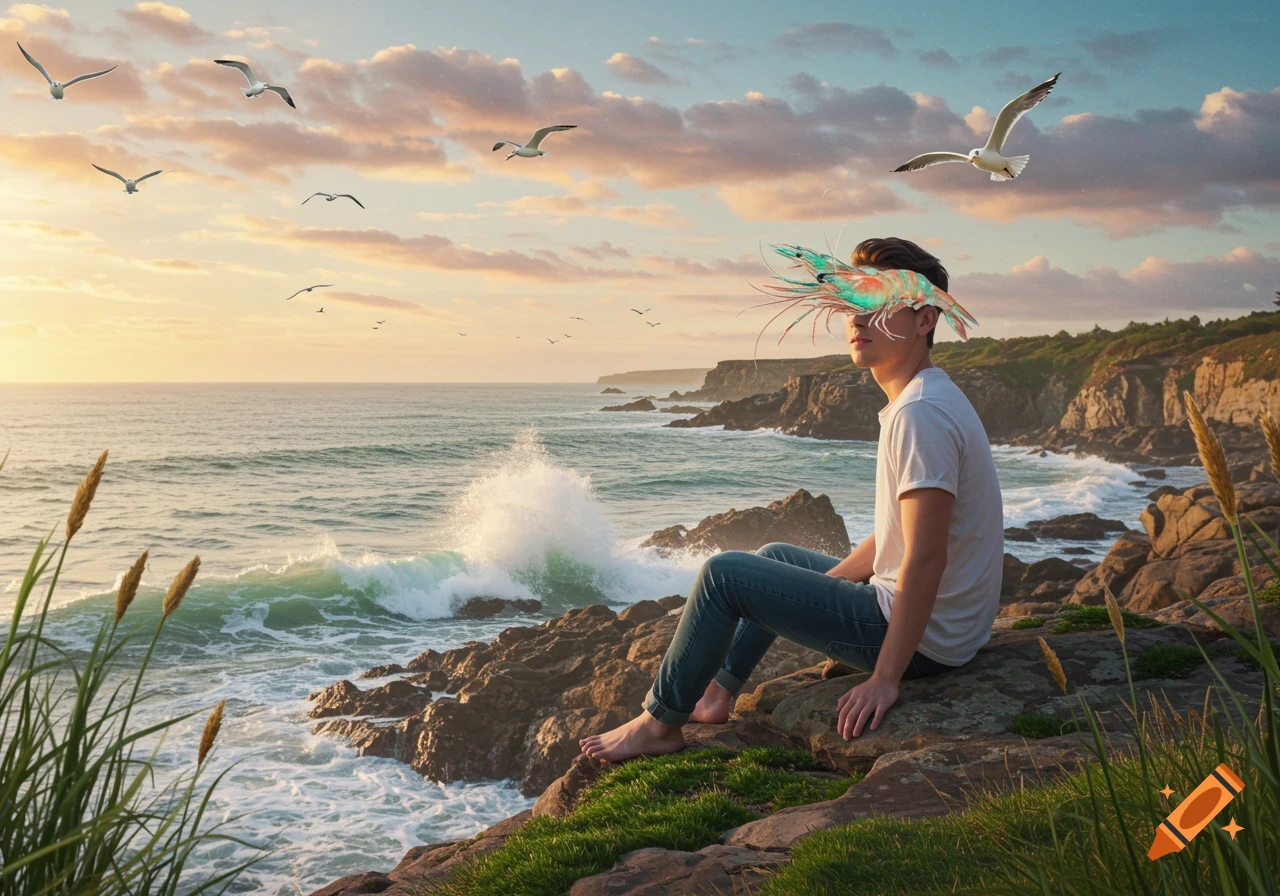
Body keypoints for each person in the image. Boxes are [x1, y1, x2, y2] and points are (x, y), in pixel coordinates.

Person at [579, 237, 1004, 762]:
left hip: (922, 641)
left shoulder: (921, 414)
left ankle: (659, 722)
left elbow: (926, 556)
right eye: (852, 302)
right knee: (775, 558)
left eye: (878, 302)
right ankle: (714, 696)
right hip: (947, 631)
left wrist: (885, 678)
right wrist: (810, 593)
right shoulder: (925, 397)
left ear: (924, 320)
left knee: (723, 575)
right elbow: (901, 534)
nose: (858, 317)